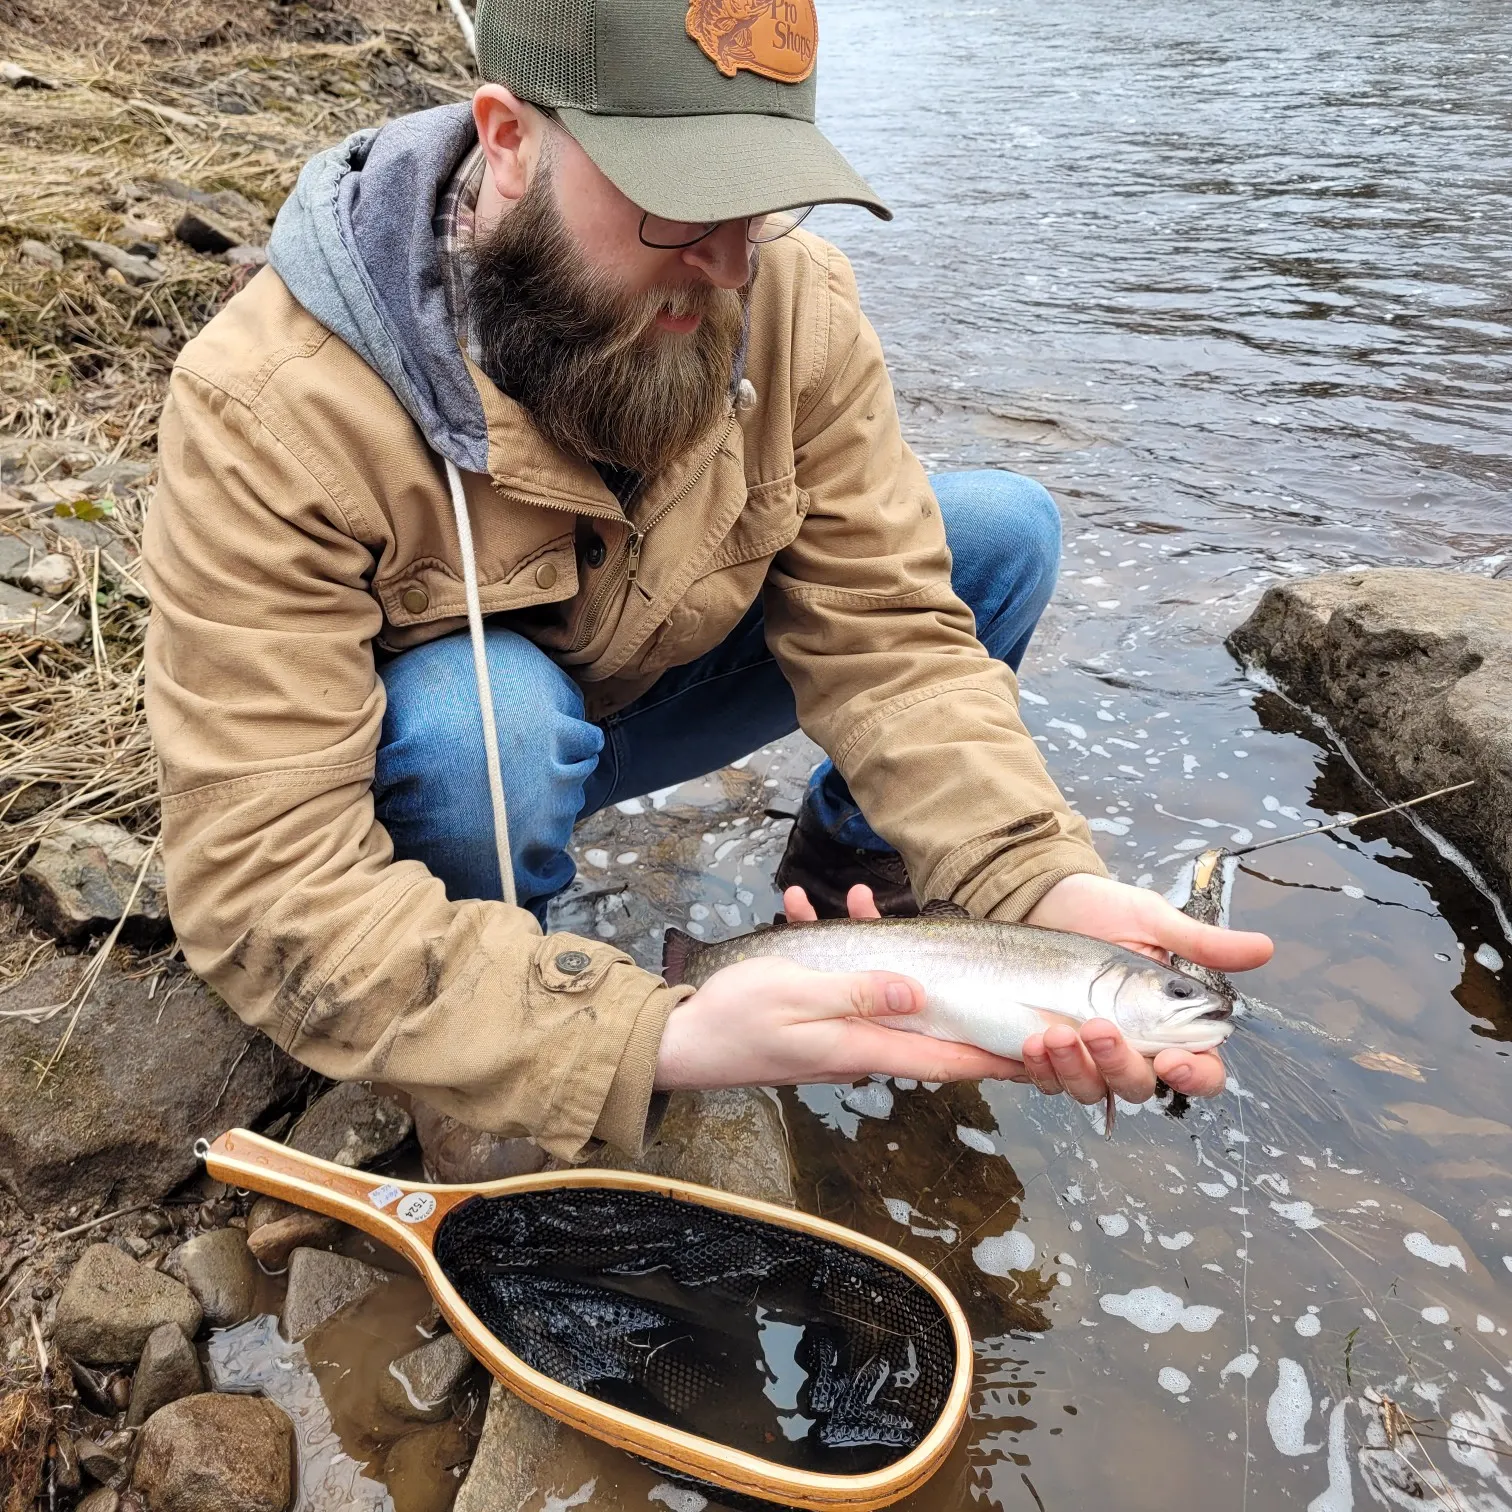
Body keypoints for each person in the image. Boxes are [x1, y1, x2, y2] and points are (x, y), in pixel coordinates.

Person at [143, 0, 1271, 1164]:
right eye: (681, 200)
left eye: (760, 197)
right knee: (488, 729)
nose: (731, 262)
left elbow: (892, 635)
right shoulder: (267, 401)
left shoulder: (793, 297)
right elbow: (263, 881)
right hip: (454, 764)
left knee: (1000, 531)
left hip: (651, 686)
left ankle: (844, 885)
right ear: (511, 141)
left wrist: (1033, 885)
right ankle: (496, 998)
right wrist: (643, 1038)